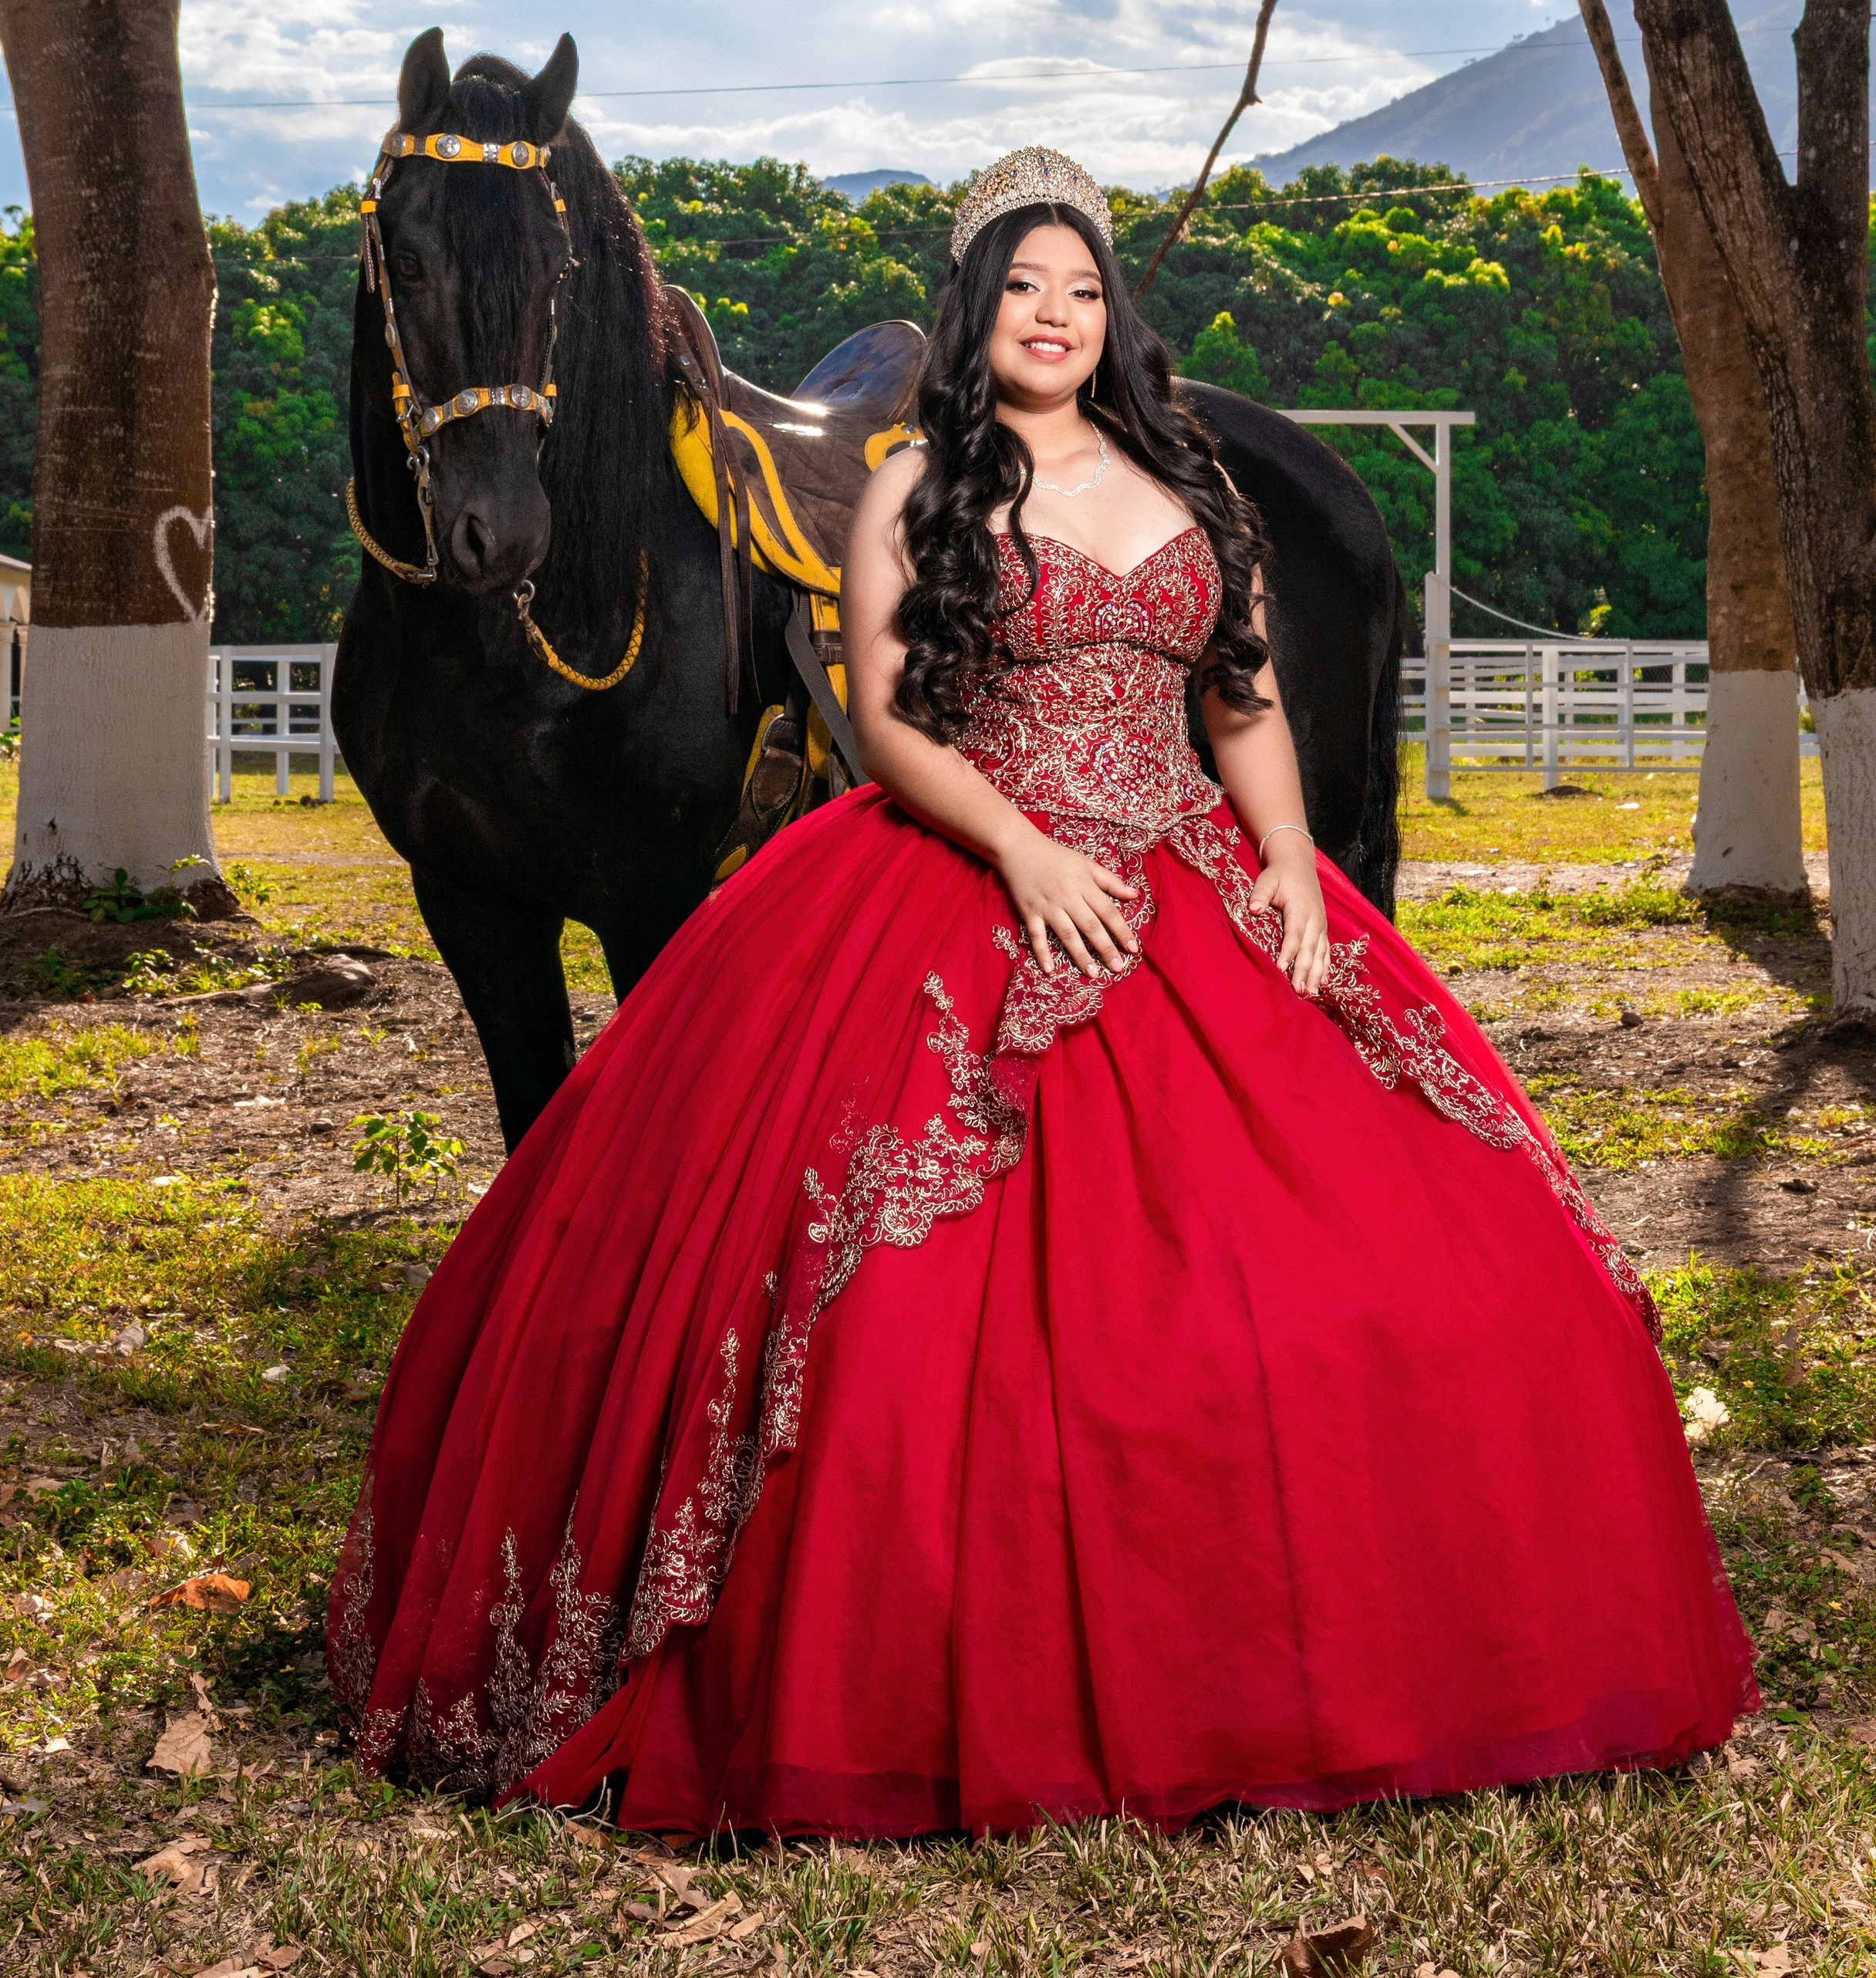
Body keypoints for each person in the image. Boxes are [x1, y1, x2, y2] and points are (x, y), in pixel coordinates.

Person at [329, 146, 1755, 1835]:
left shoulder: (1188, 487)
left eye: (1080, 288)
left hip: (1191, 869)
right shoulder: (916, 489)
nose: (1054, 315)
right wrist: (1020, 849)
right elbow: (885, 722)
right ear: (976, 310)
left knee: (1422, 1257)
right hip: (970, 862)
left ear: (1110, 311)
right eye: (1022, 287)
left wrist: (1292, 863)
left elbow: (1239, 702)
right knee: (906, 1308)